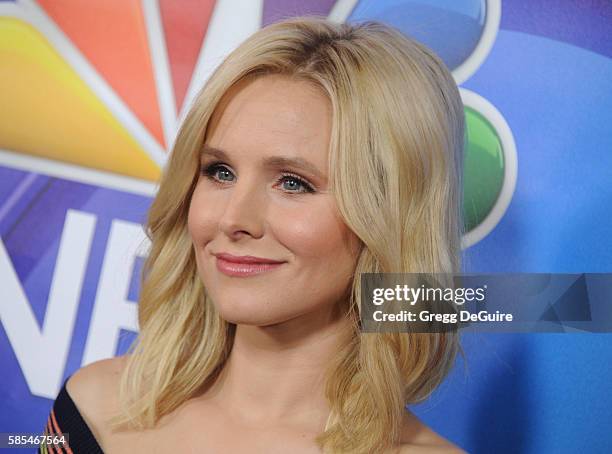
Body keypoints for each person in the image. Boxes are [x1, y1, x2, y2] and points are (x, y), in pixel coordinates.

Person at [41, 16, 465, 453]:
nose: (233, 219)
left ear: (388, 215)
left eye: (293, 182)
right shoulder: (95, 407)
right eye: (219, 172)